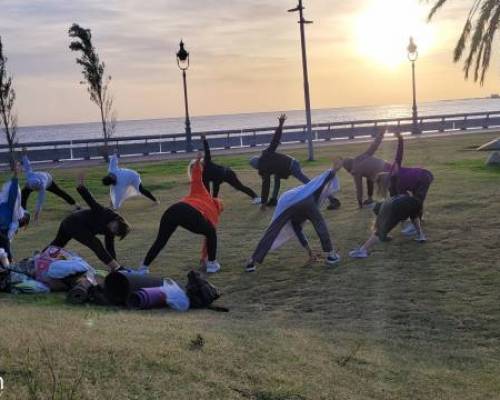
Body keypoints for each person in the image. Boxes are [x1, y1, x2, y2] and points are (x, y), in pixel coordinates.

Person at [245, 158, 343, 273]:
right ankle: (331, 255)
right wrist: (333, 170)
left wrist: (310, 252)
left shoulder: (295, 220)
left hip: (287, 204)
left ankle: (252, 261)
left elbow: (298, 232)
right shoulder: (310, 193)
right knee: (320, 224)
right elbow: (320, 183)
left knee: (272, 231)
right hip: (300, 201)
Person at [140, 153, 223, 274]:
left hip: (173, 209)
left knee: (161, 240)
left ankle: (143, 266)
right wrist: (205, 259)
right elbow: (209, 240)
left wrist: (197, 163)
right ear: (219, 208)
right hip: (190, 213)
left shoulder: (202, 193)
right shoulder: (214, 216)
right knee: (211, 233)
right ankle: (212, 265)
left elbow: (196, 178)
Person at [250, 114, 341, 210]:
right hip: (289, 164)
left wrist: (263, 203)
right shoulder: (266, 155)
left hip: (292, 166)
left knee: (310, 184)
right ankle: (273, 200)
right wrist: (280, 124)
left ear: (257, 166)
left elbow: (266, 186)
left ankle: (333, 199)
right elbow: (275, 140)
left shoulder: (264, 168)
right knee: (277, 178)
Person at [47, 173, 131, 272]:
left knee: (57, 245)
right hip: (73, 222)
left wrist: (114, 262)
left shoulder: (111, 231)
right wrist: (80, 187)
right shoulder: (104, 213)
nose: (112, 230)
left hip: (77, 226)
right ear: (117, 220)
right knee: (95, 243)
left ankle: (38, 259)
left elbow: (110, 247)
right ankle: (117, 268)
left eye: (115, 232)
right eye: (115, 228)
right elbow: (91, 201)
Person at [374, 132, 434, 235]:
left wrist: (400, 138)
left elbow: (399, 154)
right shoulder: (392, 188)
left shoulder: (394, 171)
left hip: (424, 177)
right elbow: (399, 201)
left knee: (417, 201)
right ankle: (417, 221)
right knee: (412, 202)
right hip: (415, 183)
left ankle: (416, 225)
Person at [348, 193, 426, 259]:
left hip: (387, 203)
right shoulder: (417, 205)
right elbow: (415, 220)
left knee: (382, 229)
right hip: (395, 208)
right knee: (380, 231)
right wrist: (421, 235)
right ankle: (362, 251)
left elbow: (414, 219)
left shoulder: (406, 197)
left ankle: (378, 239)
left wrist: (421, 235)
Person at [199, 134, 260, 203]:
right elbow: (208, 188)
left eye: (201, 162)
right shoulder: (203, 175)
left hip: (228, 173)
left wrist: (204, 140)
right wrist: (211, 199)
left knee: (239, 187)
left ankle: (256, 197)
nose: (202, 161)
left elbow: (207, 151)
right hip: (220, 176)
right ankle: (255, 196)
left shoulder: (207, 163)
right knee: (217, 188)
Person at [21, 154, 79, 222]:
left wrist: (36, 217)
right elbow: (27, 165)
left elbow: (39, 202)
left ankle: (76, 205)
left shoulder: (42, 186)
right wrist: (24, 154)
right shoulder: (29, 176)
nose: (27, 187)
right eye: (28, 185)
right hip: (40, 176)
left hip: (49, 180)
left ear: (37, 189)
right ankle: (23, 213)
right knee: (23, 194)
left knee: (60, 192)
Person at [342, 130, 391, 208]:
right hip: (387, 165)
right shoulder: (361, 156)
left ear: (348, 168)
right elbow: (374, 146)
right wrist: (381, 134)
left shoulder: (355, 171)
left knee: (383, 196)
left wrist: (359, 202)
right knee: (370, 179)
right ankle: (370, 198)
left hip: (382, 175)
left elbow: (359, 188)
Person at [0, 162, 31, 261]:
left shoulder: (12, 224)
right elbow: (13, 194)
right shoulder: (10, 209)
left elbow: (13, 193)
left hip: (3, 229)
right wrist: (16, 175)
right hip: (3, 229)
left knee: (4, 245)